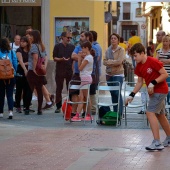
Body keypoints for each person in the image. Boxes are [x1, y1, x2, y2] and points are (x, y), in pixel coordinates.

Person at [126, 43, 170, 151]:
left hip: (160, 91)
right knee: (160, 115)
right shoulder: (139, 66)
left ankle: (157, 142)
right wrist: (131, 95)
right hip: (153, 93)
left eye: (136, 56)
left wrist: (153, 83)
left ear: (142, 53)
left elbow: (165, 74)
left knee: (150, 112)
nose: (134, 58)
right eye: (133, 56)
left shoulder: (153, 61)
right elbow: (139, 83)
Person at [103, 33, 125, 117]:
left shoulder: (121, 50)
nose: (113, 40)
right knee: (112, 93)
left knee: (117, 92)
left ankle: (120, 112)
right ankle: (115, 112)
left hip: (118, 74)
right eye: (111, 38)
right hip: (109, 74)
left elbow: (119, 61)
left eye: (115, 38)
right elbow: (104, 61)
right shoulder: (107, 50)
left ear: (118, 40)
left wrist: (110, 62)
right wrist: (113, 62)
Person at [53, 31, 75, 113]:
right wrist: (61, 59)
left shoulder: (72, 47)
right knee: (59, 88)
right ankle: (58, 106)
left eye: (70, 38)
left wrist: (73, 68)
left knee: (70, 88)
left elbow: (73, 59)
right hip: (60, 70)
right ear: (62, 37)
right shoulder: (57, 46)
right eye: (67, 37)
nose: (69, 39)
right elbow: (54, 58)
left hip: (69, 70)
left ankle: (70, 104)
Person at [27, 30, 48, 115]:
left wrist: (34, 68)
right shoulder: (42, 46)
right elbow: (46, 57)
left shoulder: (33, 46)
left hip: (33, 71)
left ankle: (27, 107)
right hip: (40, 71)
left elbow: (35, 58)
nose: (29, 37)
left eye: (31, 36)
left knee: (30, 89)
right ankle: (39, 109)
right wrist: (44, 67)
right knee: (39, 90)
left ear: (34, 37)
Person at [71, 41, 94, 121]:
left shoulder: (88, 58)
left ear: (87, 48)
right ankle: (79, 115)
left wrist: (80, 58)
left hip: (86, 78)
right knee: (81, 97)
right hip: (84, 78)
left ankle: (88, 114)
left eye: (83, 48)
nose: (82, 50)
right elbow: (80, 67)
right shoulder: (87, 57)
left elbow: (80, 68)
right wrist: (80, 58)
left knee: (86, 98)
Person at [0, 37, 18, 119]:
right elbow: (15, 63)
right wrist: (15, 72)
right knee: (10, 95)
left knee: (1, 95)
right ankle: (10, 112)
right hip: (10, 76)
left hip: (0, 76)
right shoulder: (12, 52)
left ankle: (1, 113)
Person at [15, 36, 33, 115]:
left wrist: (27, 65)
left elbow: (32, 61)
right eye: (21, 41)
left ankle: (26, 106)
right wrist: (25, 69)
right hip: (21, 71)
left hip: (29, 71)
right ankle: (18, 105)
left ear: (27, 43)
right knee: (19, 89)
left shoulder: (30, 50)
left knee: (28, 89)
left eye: (23, 42)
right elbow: (20, 61)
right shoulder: (19, 50)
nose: (21, 43)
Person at [156, 35, 170, 108]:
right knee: (162, 93)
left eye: (166, 41)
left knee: (169, 92)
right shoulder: (159, 51)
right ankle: (163, 110)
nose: (165, 43)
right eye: (164, 41)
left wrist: (162, 61)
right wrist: (166, 61)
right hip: (160, 75)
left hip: (169, 74)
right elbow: (156, 61)